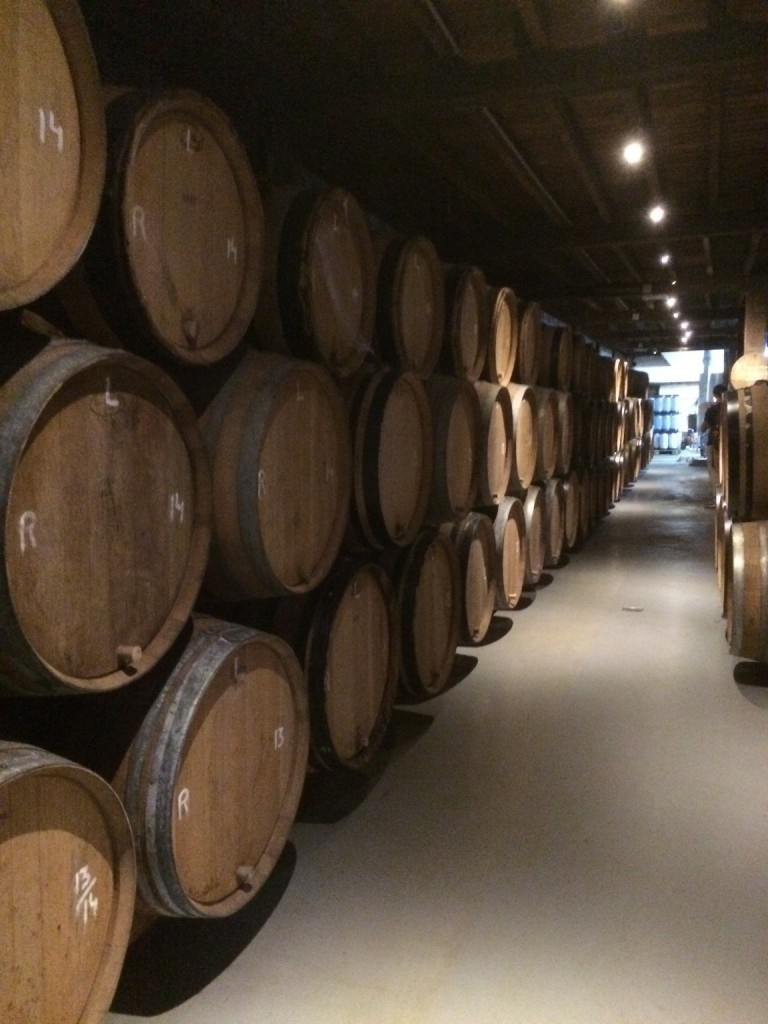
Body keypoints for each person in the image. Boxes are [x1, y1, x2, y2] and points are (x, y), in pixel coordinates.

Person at [700, 383, 726, 507]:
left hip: (714, 443)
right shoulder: (731, 407)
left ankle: (717, 499)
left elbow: (703, 428)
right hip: (728, 445)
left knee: (714, 472)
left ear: (715, 395)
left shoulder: (712, 410)